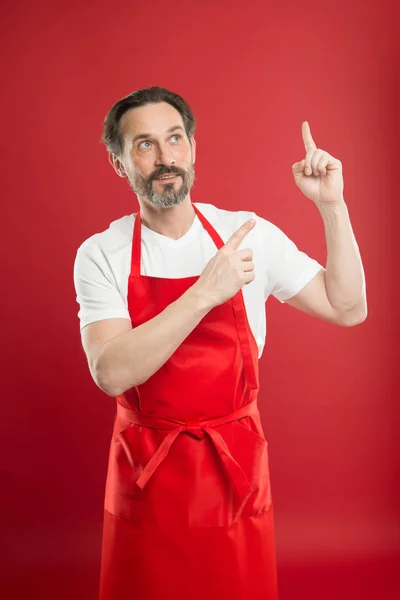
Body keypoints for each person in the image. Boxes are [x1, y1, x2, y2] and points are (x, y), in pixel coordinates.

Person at [73, 86, 367, 600]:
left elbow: (348, 307)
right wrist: (205, 292)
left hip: (235, 473)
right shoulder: (102, 253)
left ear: (192, 146)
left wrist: (333, 206)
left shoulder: (248, 234)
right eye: (143, 144)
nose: (165, 158)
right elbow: (112, 371)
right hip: (147, 475)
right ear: (119, 163)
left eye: (174, 139)